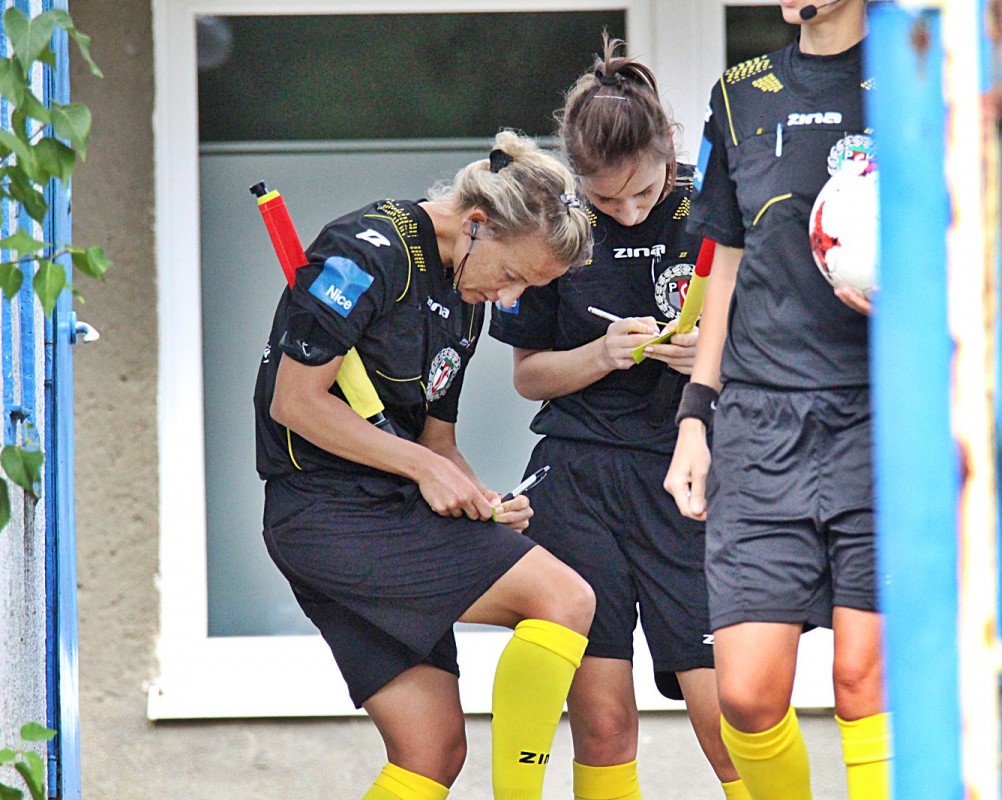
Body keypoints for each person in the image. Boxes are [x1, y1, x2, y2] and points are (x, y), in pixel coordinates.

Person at [253, 129, 596, 800]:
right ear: (477, 223)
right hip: (326, 514)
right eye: (513, 275)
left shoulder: (465, 299)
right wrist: (423, 469)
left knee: (431, 751)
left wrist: (479, 497)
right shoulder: (364, 252)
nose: (509, 298)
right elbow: (295, 403)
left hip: (388, 509)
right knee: (565, 599)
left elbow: (437, 445)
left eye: (527, 288)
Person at [488, 35, 748, 800]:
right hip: (579, 478)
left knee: (730, 715)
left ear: (668, 147)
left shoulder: (719, 206)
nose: (628, 213)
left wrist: (712, 359)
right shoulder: (556, 221)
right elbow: (528, 376)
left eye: (644, 192)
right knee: (602, 722)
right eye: (607, 201)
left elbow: (782, 352)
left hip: (689, 477)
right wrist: (601, 354)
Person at [662, 1, 890, 799]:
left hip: (882, 415)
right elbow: (723, 264)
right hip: (761, 424)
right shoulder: (739, 92)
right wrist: (695, 416)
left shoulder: (915, 76)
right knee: (748, 696)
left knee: (865, 680)